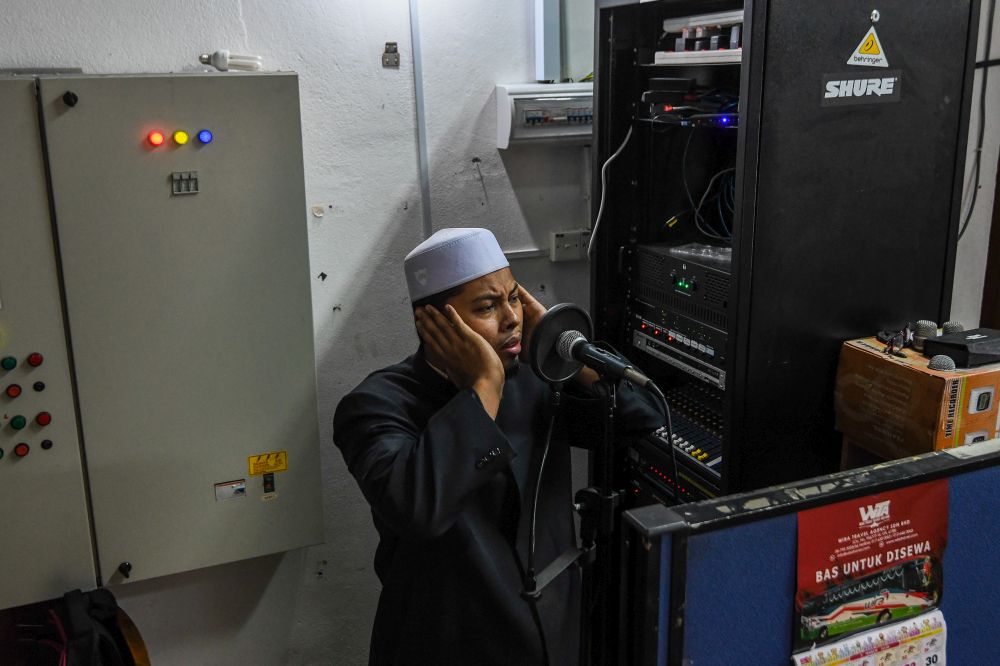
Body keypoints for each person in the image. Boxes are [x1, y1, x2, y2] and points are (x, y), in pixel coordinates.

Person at [334, 227, 662, 665]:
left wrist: (560, 348)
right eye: (488, 306)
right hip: (451, 644)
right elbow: (418, 507)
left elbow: (642, 418)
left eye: (513, 298)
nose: (511, 318)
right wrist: (482, 388)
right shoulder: (376, 406)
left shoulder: (533, 380)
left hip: (553, 636)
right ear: (433, 323)